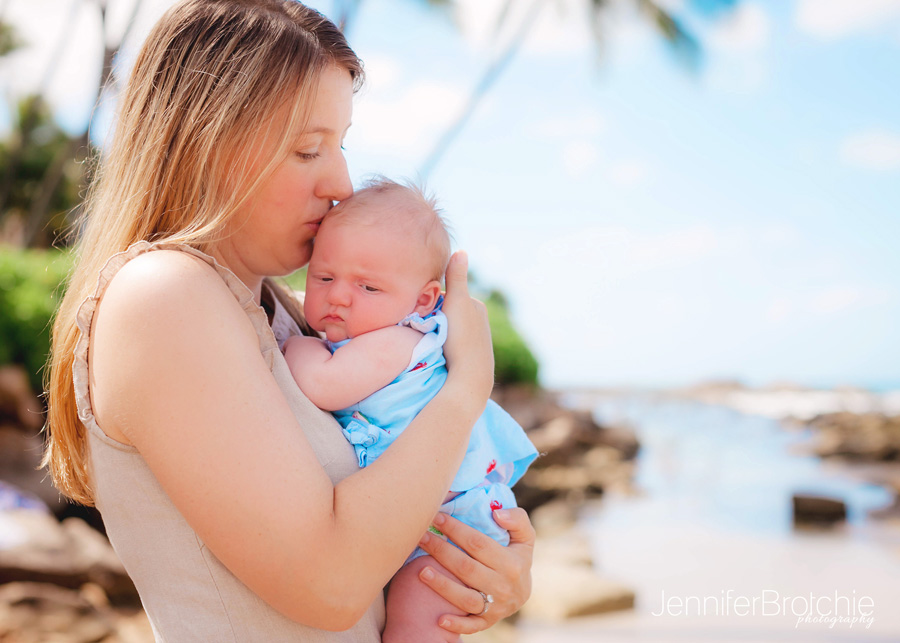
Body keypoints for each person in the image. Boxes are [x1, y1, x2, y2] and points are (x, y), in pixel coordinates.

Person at [42, 1, 534, 640]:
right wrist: (466, 392)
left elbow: (381, 535)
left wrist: (484, 567)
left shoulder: (285, 317)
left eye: (342, 144)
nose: (342, 181)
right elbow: (329, 587)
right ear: (208, 144)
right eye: (308, 150)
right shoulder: (164, 296)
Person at [284, 179, 538, 642]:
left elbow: (321, 383)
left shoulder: (397, 342)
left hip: (448, 528)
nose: (338, 296)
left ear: (422, 301)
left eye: (367, 286)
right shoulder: (370, 333)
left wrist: (294, 344)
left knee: (418, 625)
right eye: (323, 277)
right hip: (426, 518)